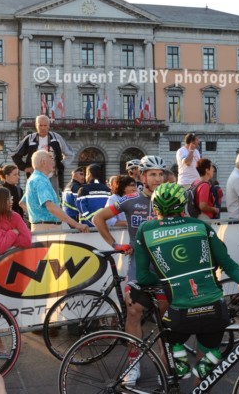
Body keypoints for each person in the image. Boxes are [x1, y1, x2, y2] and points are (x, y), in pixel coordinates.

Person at [135, 183, 239, 379]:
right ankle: (200, 376)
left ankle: (174, 376)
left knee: (169, 346)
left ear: (155, 208)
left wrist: (168, 280)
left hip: (179, 315)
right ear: (183, 207)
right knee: (205, 369)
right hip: (214, 312)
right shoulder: (200, 226)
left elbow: (143, 277)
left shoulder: (145, 230)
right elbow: (230, 267)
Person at [92, 155, 166, 385]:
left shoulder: (169, 199)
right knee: (133, 311)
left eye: (160, 173)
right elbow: (98, 218)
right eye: (152, 174)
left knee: (165, 318)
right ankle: (133, 364)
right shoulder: (130, 200)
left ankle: (166, 365)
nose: (157, 178)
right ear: (142, 176)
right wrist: (115, 245)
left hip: (165, 267)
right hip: (139, 264)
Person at [21, 150, 89, 233]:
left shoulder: (33, 179)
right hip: (48, 229)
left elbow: (22, 203)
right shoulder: (40, 180)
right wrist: (77, 225)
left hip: (42, 227)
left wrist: (36, 216)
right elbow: (50, 206)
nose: (53, 163)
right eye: (51, 159)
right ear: (43, 162)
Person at [11, 114, 73, 192]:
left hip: (53, 176)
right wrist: (25, 168)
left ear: (49, 126)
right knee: (35, 198)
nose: (43, 128)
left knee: (52, 198)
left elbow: (70, 154)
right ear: (36, 126)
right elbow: (15, 155)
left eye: (45, 125)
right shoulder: (30, 139)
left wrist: (60, 166)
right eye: (40, 125)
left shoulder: (56, 138)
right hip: (35, 176)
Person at [0, 186, 32, 254]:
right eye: (8, 199)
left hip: (19, 259)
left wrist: (4, 237)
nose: (12, 201)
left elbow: (27, 241)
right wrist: (14, 232)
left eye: (11, 198)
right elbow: (0, 247)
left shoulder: (15, 216)